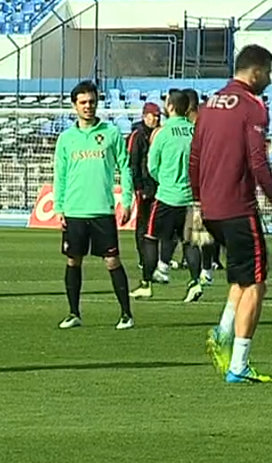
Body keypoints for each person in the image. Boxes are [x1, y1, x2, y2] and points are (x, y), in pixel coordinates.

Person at [190, 44, 272, 384]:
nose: (270, 80)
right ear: (255, 71)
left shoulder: (209, 104)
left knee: (247, 270)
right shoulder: (252, 106)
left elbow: (195, 157)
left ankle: (223, 331)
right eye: (268, 73)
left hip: (213, 208)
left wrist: (200, 201)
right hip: (238, 207)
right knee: (257, 282)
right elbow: (257, 161)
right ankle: (239, 364)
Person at [53, 80, 135, 330]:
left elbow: (125, 167)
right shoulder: (66, 139)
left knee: (112, 261)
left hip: (102, 210)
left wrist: (128, 198)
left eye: (91, 102)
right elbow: (61, 174)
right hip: (75, 210)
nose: (88, 106)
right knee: (73, 260)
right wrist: (59, 207)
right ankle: (74, 313)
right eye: (83, 102)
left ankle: (126, 314)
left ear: (97, 103)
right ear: (74, 105)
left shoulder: (110, 134)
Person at [131, 90, 203, 302]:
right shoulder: (195, 132)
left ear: (170, 107)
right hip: (191, 197)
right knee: (190, 242)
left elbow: (152, 166)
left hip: (167, 196)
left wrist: (165, 179)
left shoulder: (162, 133)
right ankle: (195, 281)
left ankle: (146, 283)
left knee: (151, 237)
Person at [182, 87, 222, 284]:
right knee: (200, 232)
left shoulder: (200, 126)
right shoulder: (202, 125)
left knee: (200, 232)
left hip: (203, 186)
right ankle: (207, 268)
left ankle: (205, 270)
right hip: (206, 184)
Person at [127, 102, 168, 284]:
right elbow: (133, 163)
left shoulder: (160, 133)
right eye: (153, 115)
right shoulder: (137, 136)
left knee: (158, 223)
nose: (156, 119)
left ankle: (156, 258)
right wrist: (138, 186)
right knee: (143, 224)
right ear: (145, 116)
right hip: (144, 186)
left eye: (158, 116)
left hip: (160, 185)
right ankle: (144, 259)